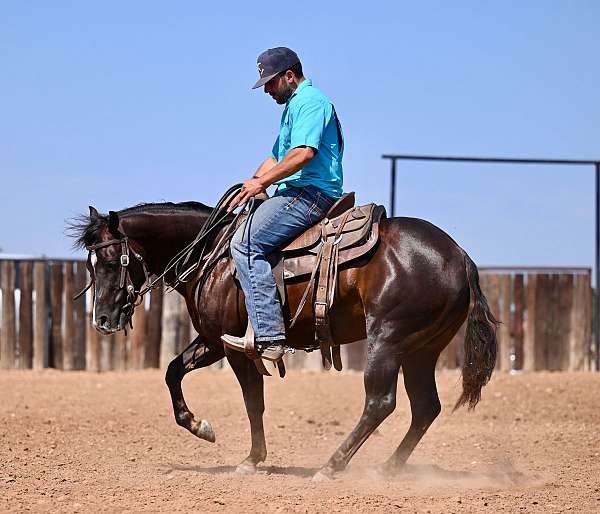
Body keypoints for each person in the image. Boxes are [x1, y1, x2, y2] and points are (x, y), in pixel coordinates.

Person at [221, 47, 344, 360]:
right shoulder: (293, 107)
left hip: (310, 193)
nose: (267, 90)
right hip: (297, 190)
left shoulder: (311, 101)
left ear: (290, 75)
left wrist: (262, 183)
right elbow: (276, 157)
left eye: (270, 83)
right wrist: (244, 189)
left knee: (245, 244)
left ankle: (270, 335)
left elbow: (303, 153)